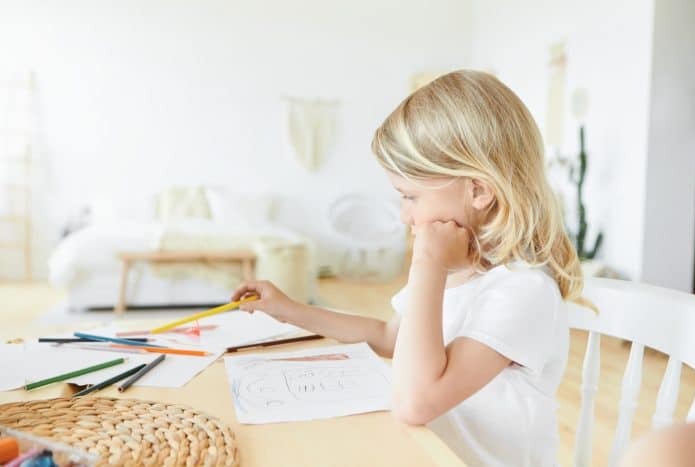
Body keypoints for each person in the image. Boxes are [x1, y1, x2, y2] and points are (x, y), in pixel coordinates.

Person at [232, 70, 584, 466]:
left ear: (479, 190)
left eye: (410, 196)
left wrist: (428, 265)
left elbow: (417, 403)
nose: (404, 216)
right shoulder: (459, 269)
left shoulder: (523, 289)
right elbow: (389, 336)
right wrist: (290, 309)